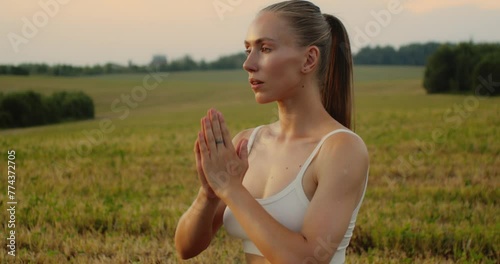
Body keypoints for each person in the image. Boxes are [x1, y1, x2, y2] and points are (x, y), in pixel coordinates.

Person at [174, 1, 369, 263]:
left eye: (265, 49)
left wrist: (231, 189)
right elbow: (186, 248)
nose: (248, 64)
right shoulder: (247, 143)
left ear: (309, 59)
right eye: (247, 50)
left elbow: (307, 260)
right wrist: (208, 195)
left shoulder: (341, 149)